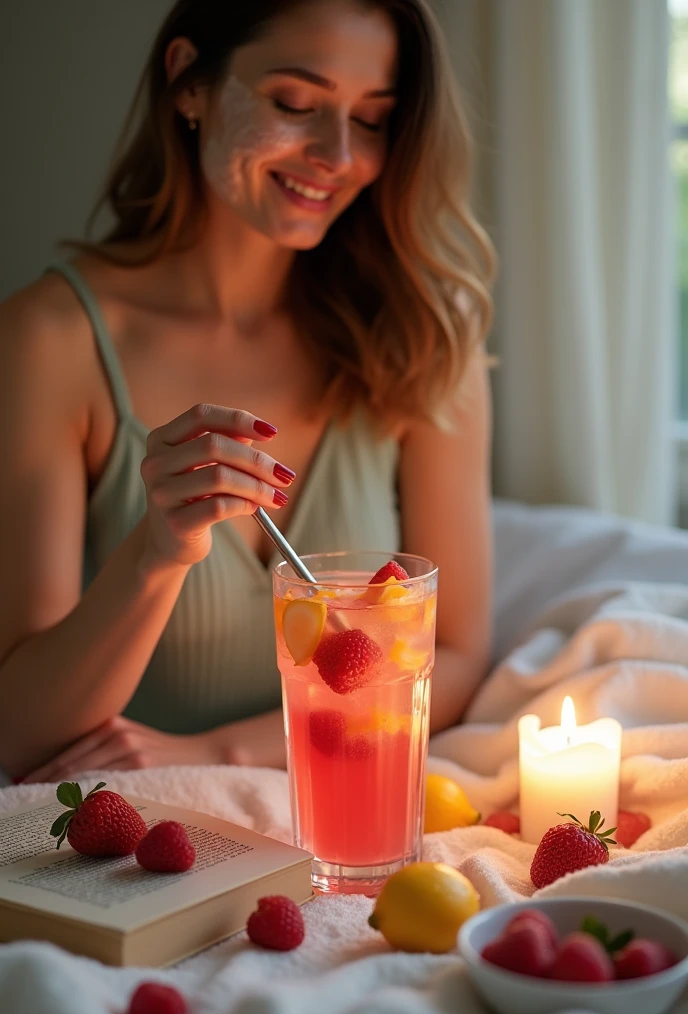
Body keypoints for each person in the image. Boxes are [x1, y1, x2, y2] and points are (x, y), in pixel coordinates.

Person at [0, 0, 494, 784]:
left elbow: (458, 654)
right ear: (189, 83)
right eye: (294, 104)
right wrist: (158, 556)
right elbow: (16, 732)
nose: (337, 154)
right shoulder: (49, 340)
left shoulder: (423, 332)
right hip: (146, 847)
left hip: (333, 821)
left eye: (371, 120)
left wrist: (217, 756)